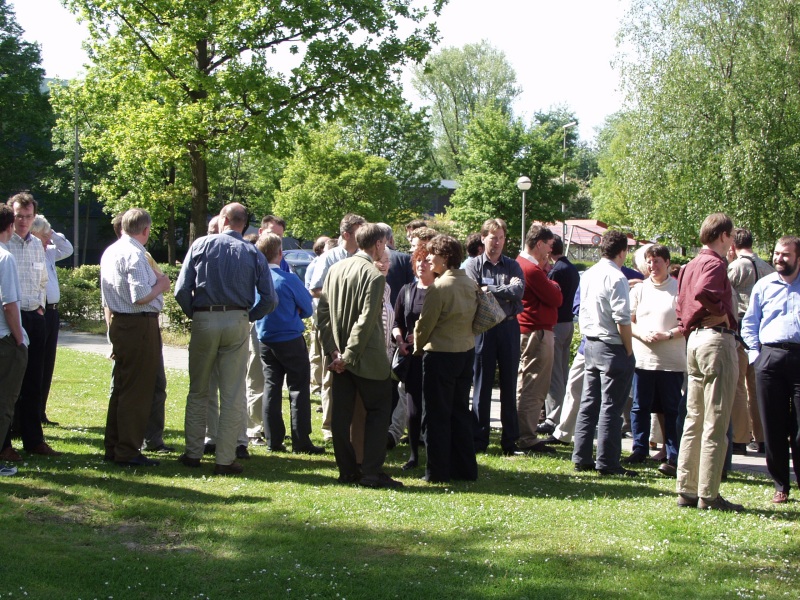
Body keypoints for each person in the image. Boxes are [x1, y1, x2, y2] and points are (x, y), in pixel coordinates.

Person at [175, 202, 277, 476]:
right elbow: (269, 298)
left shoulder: (201, 245)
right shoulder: (252, 252)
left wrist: (195, 314)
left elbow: (181, 290)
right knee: (233, 392)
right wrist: (248, 316)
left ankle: (193, 452)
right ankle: (225, 457)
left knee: (198, 389)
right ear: (244, 223)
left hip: (205, 317)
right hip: (237, 319)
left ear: (223, 219)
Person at [317, 223, 401, 488]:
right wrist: (348, 356)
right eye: (384, 244)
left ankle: (348, 471)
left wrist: (334, 351)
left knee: (341, 418)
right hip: (364, 357)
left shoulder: (335, 269)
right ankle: (371, 473)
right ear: (377, 244)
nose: (386, 248)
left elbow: (322, 315)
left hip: (340, 357)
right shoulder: (374, 275)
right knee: (379, 411)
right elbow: (366, 321)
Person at [675, 212, 742, 512]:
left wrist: (690, 325)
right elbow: (704, 292)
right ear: (724, 236)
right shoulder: (715, 263)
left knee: (694, 419)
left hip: (695, 341)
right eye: (730, 237)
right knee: (715, 420)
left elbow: (682, 303)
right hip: (715, 340)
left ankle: (686, 489)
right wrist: (725, 313)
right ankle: (709, 493)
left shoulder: (689, 265)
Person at [100, 208, 171, 467]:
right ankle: (128, 450)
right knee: (137, 391)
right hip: (138, 325)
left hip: (121, 323)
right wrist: (162, 286)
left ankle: (115, 445)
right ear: (146, 230)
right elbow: (139, 295)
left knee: (122, 388)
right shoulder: (134, 254)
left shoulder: (113, 250)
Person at [414, 234, 479, 482]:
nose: (429, 258)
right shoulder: (469, 283)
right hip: (465, 352)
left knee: (436, 415)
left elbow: (424, 326)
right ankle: (465, 469)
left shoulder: (439, 288)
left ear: (445, 257)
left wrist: (418, 348)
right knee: (460, 412)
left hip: (440, 355)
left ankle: (437, 471)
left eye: (433, 254)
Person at [572, 230, 637, 476]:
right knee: (611, 406)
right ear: (623, 252)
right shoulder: (616, 277)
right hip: (611, 345)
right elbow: (622, 318)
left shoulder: (588, 274)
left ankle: (581, 456)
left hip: (591, 342)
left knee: (589, 403)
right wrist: (628, 350)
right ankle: (608, 462)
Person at [741, 236, 800, 504]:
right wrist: (756, 355)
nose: (778, 258)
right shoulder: (764, 286)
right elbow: (750, 323)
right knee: (773, 425)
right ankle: (780, 484)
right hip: (769, 358)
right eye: (776, 253)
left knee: (799, 428)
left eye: (785, 255)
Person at [255, 233, 323, 454]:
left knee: (272, 388)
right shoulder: (288, 279)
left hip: (265, 339)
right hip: (290, 338)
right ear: (280, 253)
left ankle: (273, 440)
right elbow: (308, 307)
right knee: (298, 389)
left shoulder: (256, 281)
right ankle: (301, 440)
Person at [4, 192, 59, 459]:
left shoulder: (38, 245)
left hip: (34, 317)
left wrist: (39, 308)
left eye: (28, 217)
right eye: (19, 216)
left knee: (34, 382)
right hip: (10, 320)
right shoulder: (5, 246)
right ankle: (5, 442)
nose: (24, 221)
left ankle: (33, 440)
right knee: (9, 383)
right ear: (10, 215)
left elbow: (41, 280)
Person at [466, 218, 524, 455]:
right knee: (482, 385)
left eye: (501, 238)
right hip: (484, 330)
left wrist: (492, 290)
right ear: (483, 239)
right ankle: (479, 440)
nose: (497, 242)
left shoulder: (512, 265)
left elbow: (519, 290)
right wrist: (503, 291)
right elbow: (475, 293)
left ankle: (510, 443)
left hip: (509, 328)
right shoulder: (474, 265)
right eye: (493, 238)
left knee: (510, 385)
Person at [626, 245, 685, 477]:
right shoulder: (639, 290)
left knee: (671, 409)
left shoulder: (679, 290)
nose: (653, 266)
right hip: (644, 360)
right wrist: (641, 334)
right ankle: (639, 449)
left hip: (671, 361)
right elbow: (628, 320)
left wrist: (667, 335)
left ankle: (673, 453)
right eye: (649, 261)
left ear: (668, 262)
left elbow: (686, 323)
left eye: (657, 261)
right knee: (640, 407)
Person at [308, 213, 366, 441]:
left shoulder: (363, 257)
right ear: (346, 234)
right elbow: (315, 289)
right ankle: (330, 428)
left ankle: (353, 426)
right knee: (331, 377)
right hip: (331, 325)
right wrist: (345, 296)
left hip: (355, 327)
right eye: (359, 232)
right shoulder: (330, 257)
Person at [515, 225, 562, 454]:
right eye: (549, 246)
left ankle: (524, 433)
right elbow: (555, 297)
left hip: (534, 331)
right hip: (536, 332)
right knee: (533, 385)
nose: (550, 252)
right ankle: (527, 436)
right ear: (539, 243)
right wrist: (551, 281)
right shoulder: (531, 269)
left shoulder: (524, 265)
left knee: (530, 383)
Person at [728, 228, 774, 455]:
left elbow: (725, 293)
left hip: (740, 326)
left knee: (738, 385)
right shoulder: (767, 267)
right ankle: (763, 437)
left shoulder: (736, 267)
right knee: (756, 386)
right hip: (762, 330)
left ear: (733, 245)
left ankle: (739, 437)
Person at [393, 246, 437, 470]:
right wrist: (400, 341)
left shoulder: (440, 290)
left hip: (435, 356)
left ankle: (434, 454)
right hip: (411, 357)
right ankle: (413, 456)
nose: (422, 265)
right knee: (412, 409)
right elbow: (396, 322)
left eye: (426, 261)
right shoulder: (407, 290)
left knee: (433, 407)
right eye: (418, 261)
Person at [29, 215, 73, 426]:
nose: (49, 241)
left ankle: (41, 410)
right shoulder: (30, 252)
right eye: (45, 237)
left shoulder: (49, 251)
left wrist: (51, 233)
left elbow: (68, 249)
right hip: (39, 311)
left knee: (48, 363)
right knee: (36, 363)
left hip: (52, 312)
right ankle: (31, 412)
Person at [539, 235, 580, 435]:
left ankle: (552, 417)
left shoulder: (556, 271)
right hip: (568, 323)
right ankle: (561, 412)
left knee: (554, 373)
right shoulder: (571, 268)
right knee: (563, 371)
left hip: (556, 324)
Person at [0, 204, 28, 475]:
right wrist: (20, 340)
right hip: (4, 341)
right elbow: (9, 305)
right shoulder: (5, 257)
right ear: (9, 227)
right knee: (4, 403)